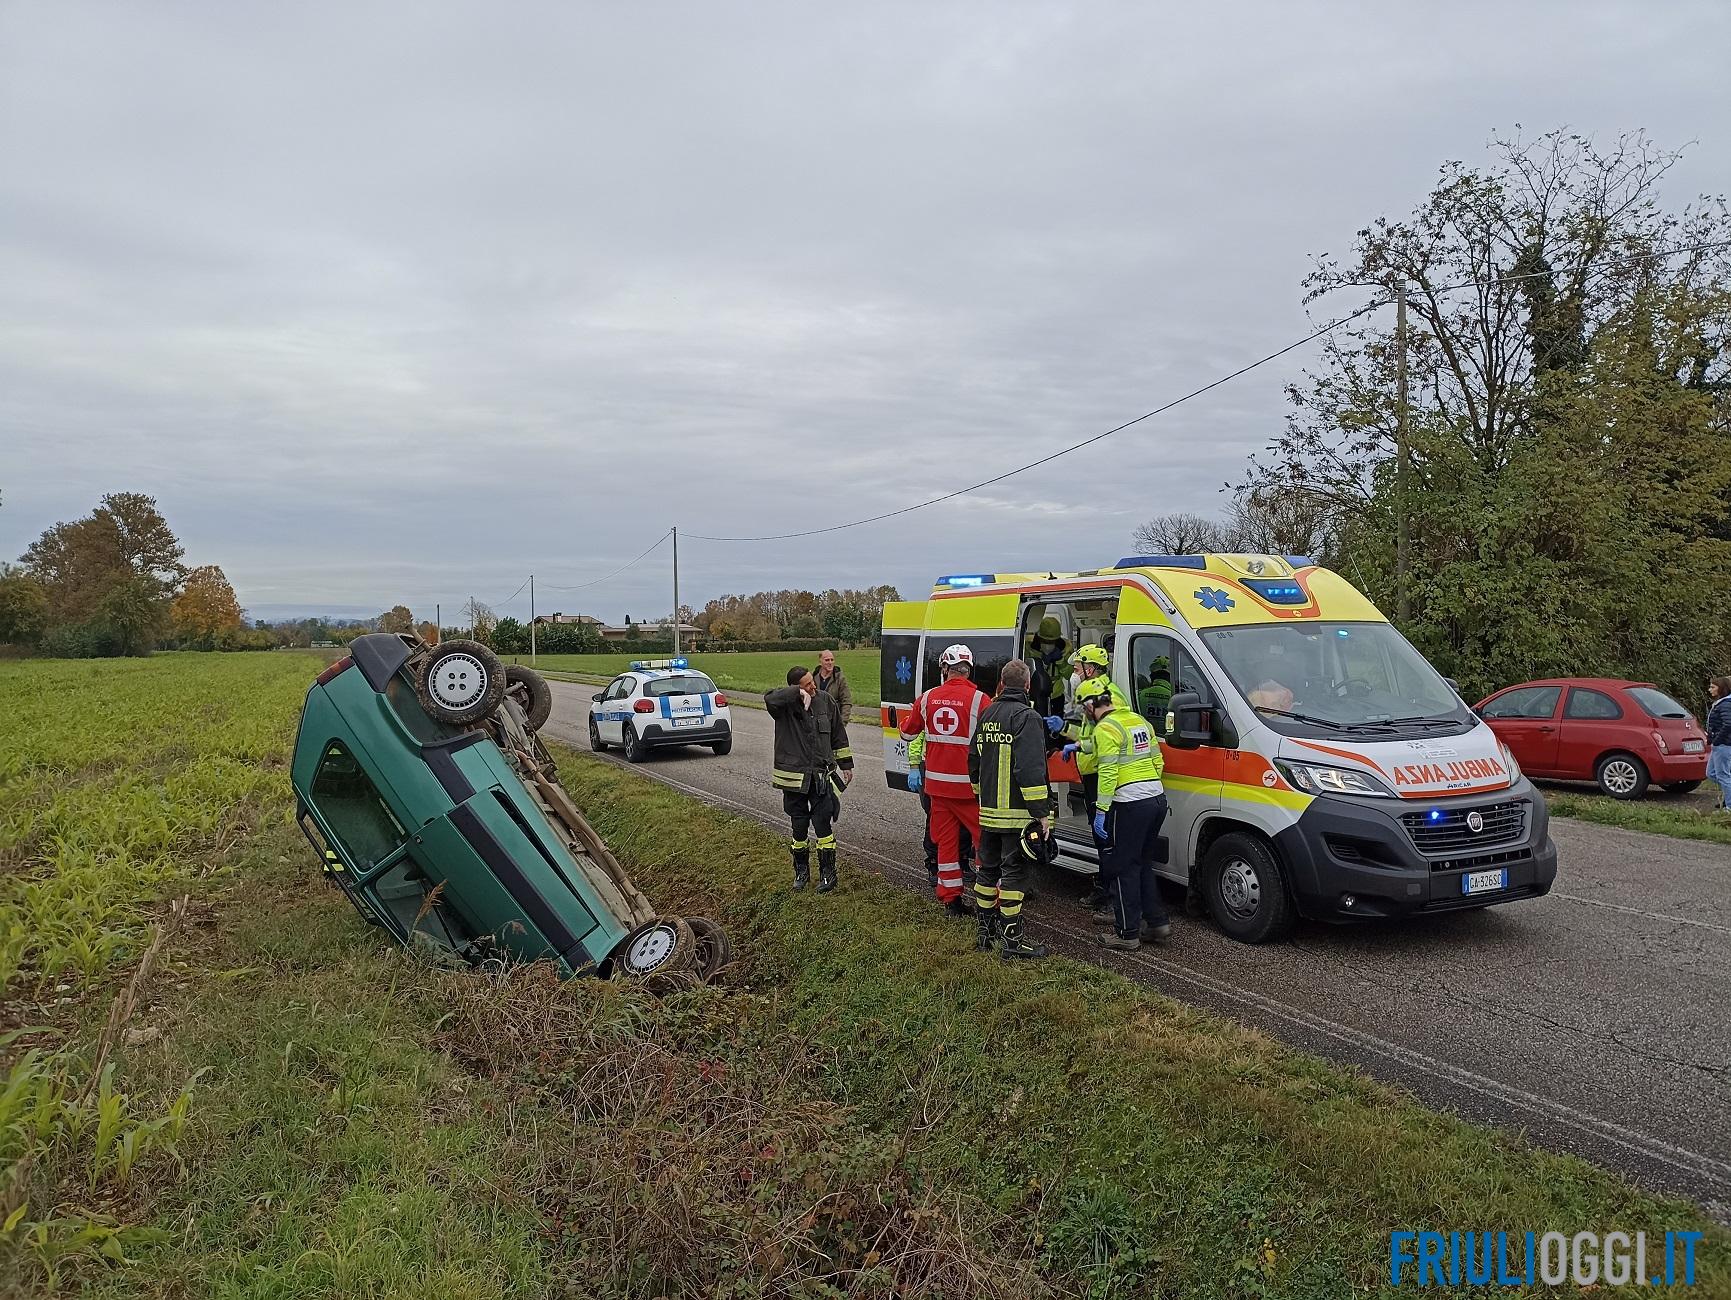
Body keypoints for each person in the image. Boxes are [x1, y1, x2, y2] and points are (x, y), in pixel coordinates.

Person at [1077, 677, 1171, 951]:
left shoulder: (1106, 728)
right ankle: (1156, 922)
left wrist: (1101, 810)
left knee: (1121, 867)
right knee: (1142, 863)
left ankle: (1126, 932)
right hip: (1155, 799)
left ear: (1091, 705)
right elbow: (1157, 760)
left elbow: (1108, 771)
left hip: (1128, 803)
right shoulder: (1139, 721)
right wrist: (1148, 787)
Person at [969, 658, 1052, 959]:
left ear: (1002, 684)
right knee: (1014, 875)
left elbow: (973, 758)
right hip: (1016, 815)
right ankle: (1013, 941)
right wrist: (1041, 813)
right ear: (1028, 685)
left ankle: (984, 933)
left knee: (987, 871)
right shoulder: (1027, 717)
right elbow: (1030, 769)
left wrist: (981, 794)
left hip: (988, 812)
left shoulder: (989, 713)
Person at [900, 644, 988, 917]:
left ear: (945, 669)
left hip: (937, 788)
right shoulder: (980, 700)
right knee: (984, 843)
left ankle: (951, 901)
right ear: (968, 669)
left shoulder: (927, 698)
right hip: (970, 789)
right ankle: (990, 902)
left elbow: (907, 733)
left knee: (946, 845)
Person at [763, 665, 854, 892]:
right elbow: (769, 699)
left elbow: (838, 734)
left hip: (821, 776)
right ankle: (801, 872)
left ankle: (828, 874)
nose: (812, 686)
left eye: (811, 682)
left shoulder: (825, 701)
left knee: (823, 824)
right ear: (796, 687)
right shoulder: (784, 706)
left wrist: (846, 765)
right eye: (806, 685)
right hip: (795, 779)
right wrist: (796, 693)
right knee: (799, 826)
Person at [1057, 644, 1128, 910]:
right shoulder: (1096, 694)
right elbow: (1090, 736)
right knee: (1103, 839)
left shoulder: (1104, 698)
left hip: (1102, 776)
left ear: (1090, 669)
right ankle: (1106, 888)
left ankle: (1109, 895)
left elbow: (1103, 743)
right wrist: (1066, 730)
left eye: (1077, 669)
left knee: (1106, 839)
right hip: (1093, 774)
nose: (1074, 674)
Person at [907, 729, 975, 898]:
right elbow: (915, 737)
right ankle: (933, 864)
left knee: (964, 822)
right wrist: (914, 766)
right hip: (931, 768)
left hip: (959, 771)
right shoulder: (931, 704)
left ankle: (962, 860)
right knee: (935, 820)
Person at [1025, 616, 1070, 716]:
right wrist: (1039, 658)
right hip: (1035, 695)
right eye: (1045, 641)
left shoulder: (1065, 650)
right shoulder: (1028, 648)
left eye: (1051, 642)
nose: (1047, 645)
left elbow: (1069, 675)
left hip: (1056, 697)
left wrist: (1060, 661)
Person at [1707, 677, 1731, 812]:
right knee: (1711, 773)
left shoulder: (1726, 704)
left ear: (1721, 689)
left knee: (1723, 775)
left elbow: (1728, 724)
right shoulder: (1720, 703)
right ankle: (1729, 796)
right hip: (1718, 745)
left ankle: (1729, 806)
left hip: (1724, 745)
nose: (1710, 690)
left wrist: (1717, 739)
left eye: (1713, 687)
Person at [813, 649, 854, 716]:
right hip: (817, 719)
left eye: (832, 660)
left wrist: (842, 723)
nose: (830, 662)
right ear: (820, 662)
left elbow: (846, 702)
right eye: (827, 660)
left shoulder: (840, 679)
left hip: (833, 719)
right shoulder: (813, 677)